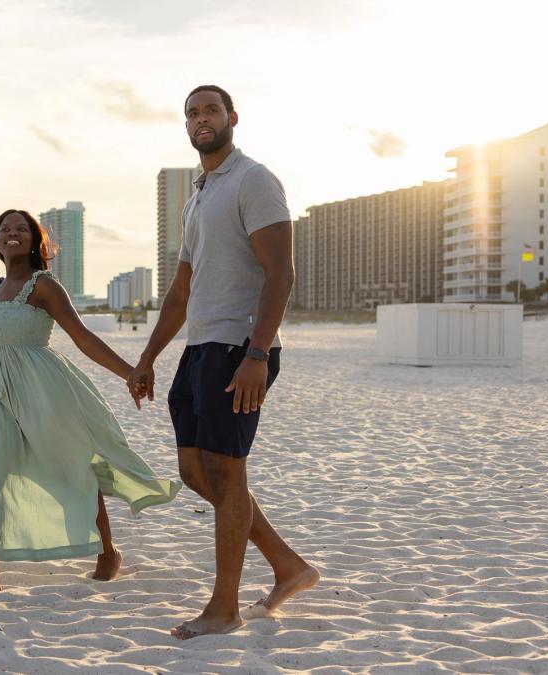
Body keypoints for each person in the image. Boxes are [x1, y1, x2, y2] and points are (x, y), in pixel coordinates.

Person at [128, 85, 319, 639]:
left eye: (210, 109)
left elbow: (280, 273)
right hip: (199, 348)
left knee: (228, 474)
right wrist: (146, 357)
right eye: (192, 112)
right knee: (196, 473)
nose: (201, 118)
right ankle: (288, 566)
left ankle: (224, 607)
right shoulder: (197, 195)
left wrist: (258, 353)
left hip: (240, 347)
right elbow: (181, 293)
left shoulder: (253, 179)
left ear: (232, 118)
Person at [0, 209, 180, 597]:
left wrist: (130, 373)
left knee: (74, 470)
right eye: (5, 229)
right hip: (3, 398)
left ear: (35, 241)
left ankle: (108, 553)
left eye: (21, 229)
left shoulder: (44, 286)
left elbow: (83, 338)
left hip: (44, 394)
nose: (12, 233)